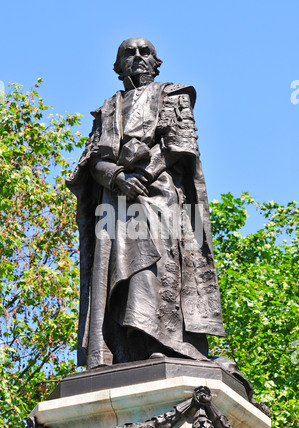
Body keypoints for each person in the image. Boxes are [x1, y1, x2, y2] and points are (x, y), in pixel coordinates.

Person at [66, 38, 225, 369]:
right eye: (129, 53)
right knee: (112, 271)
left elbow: (180, 144)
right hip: (114, 202)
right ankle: (124, 348)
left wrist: (143, 174)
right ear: (118, 66)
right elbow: (92, 161)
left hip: (160, 197)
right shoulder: (107, 109)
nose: (137, 57)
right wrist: (117, 179)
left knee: (149, 261)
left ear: (156, 62)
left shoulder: (173, 94)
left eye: (145, 52)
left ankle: (160, 340)